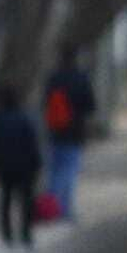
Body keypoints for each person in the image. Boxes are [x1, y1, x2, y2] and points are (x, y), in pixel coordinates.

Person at [41, 48, 97, 223]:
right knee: (69, 171)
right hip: (75, 131)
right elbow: (90, 105)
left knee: (55, 171)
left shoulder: (54, 79)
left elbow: (45, 103)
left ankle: (50, 208)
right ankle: (64, 210)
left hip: (55, 130)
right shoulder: (81, 79)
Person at [0, 85, 43, 249]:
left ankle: (7, 235)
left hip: (4, 167)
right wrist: (37, 164)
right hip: (25, 166)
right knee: (25, 201)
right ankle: (26, 234)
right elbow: (32, 145)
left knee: (5, 200)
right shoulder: (24, 119)